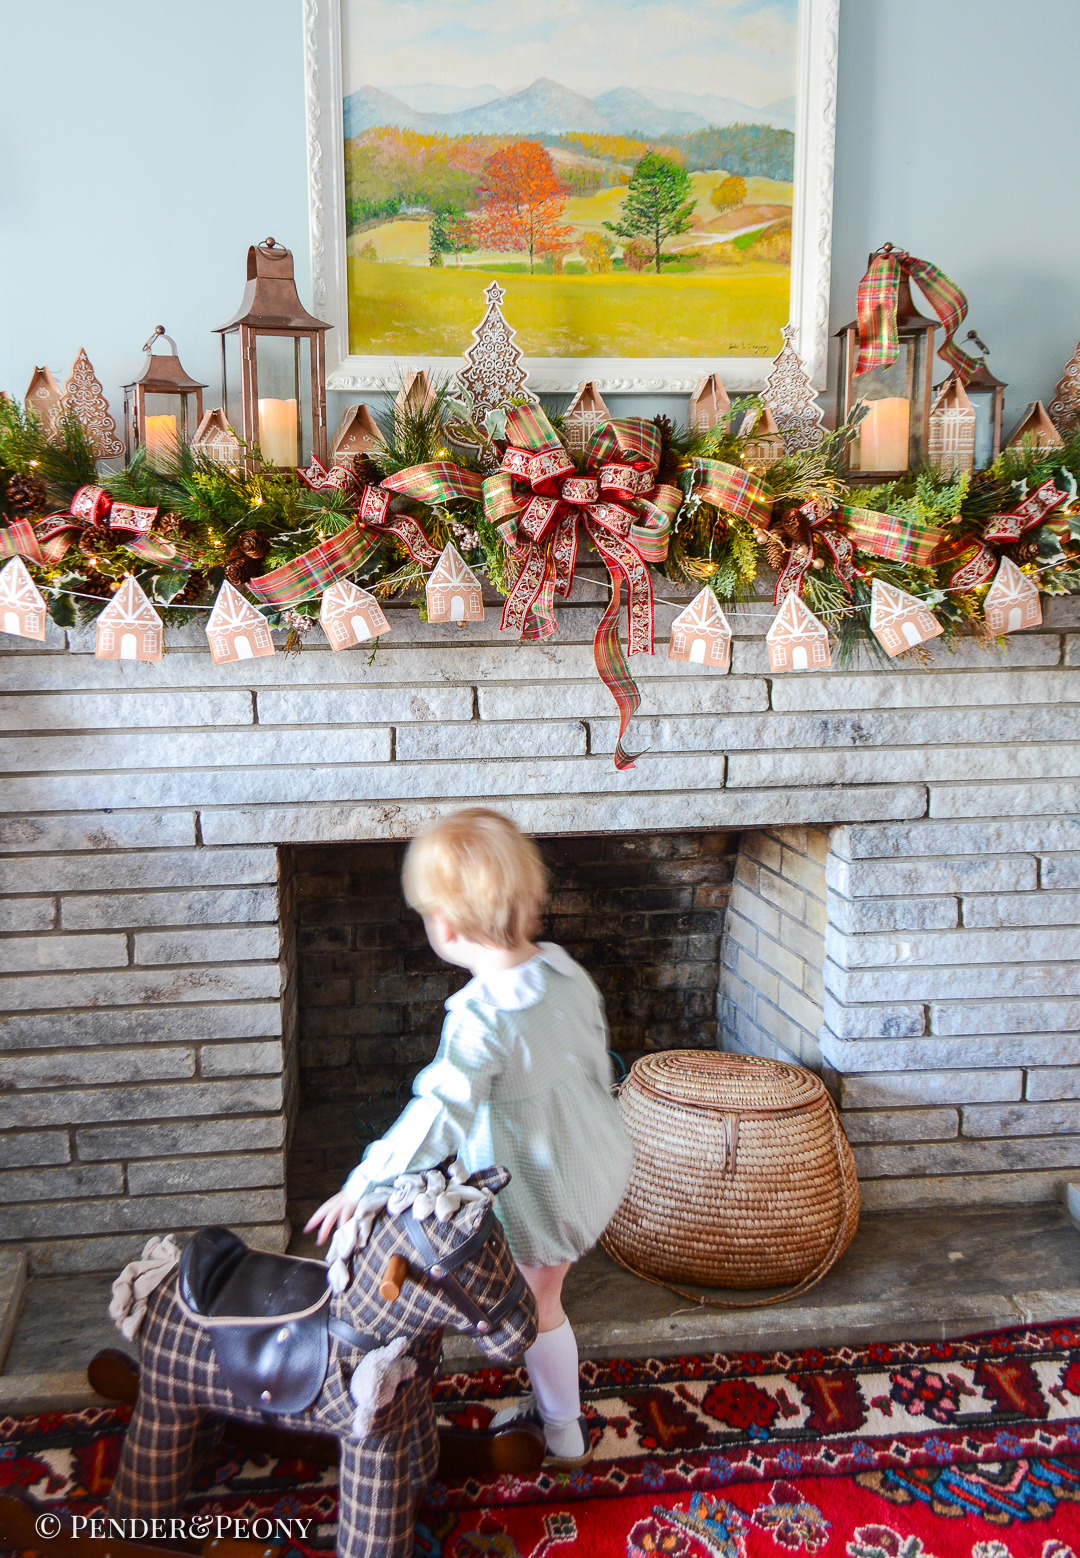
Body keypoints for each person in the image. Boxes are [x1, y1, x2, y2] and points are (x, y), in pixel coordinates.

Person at [305, 807, 634, 1467]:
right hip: (596, 1160)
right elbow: (593, 1060)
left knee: (541, 1306)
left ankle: (564, 1432)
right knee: (528, 1291)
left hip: (545, 1189)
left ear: (445, 926)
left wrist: (366, 1181)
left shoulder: (481, 1019)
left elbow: (438, 1115)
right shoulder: (566, 971)